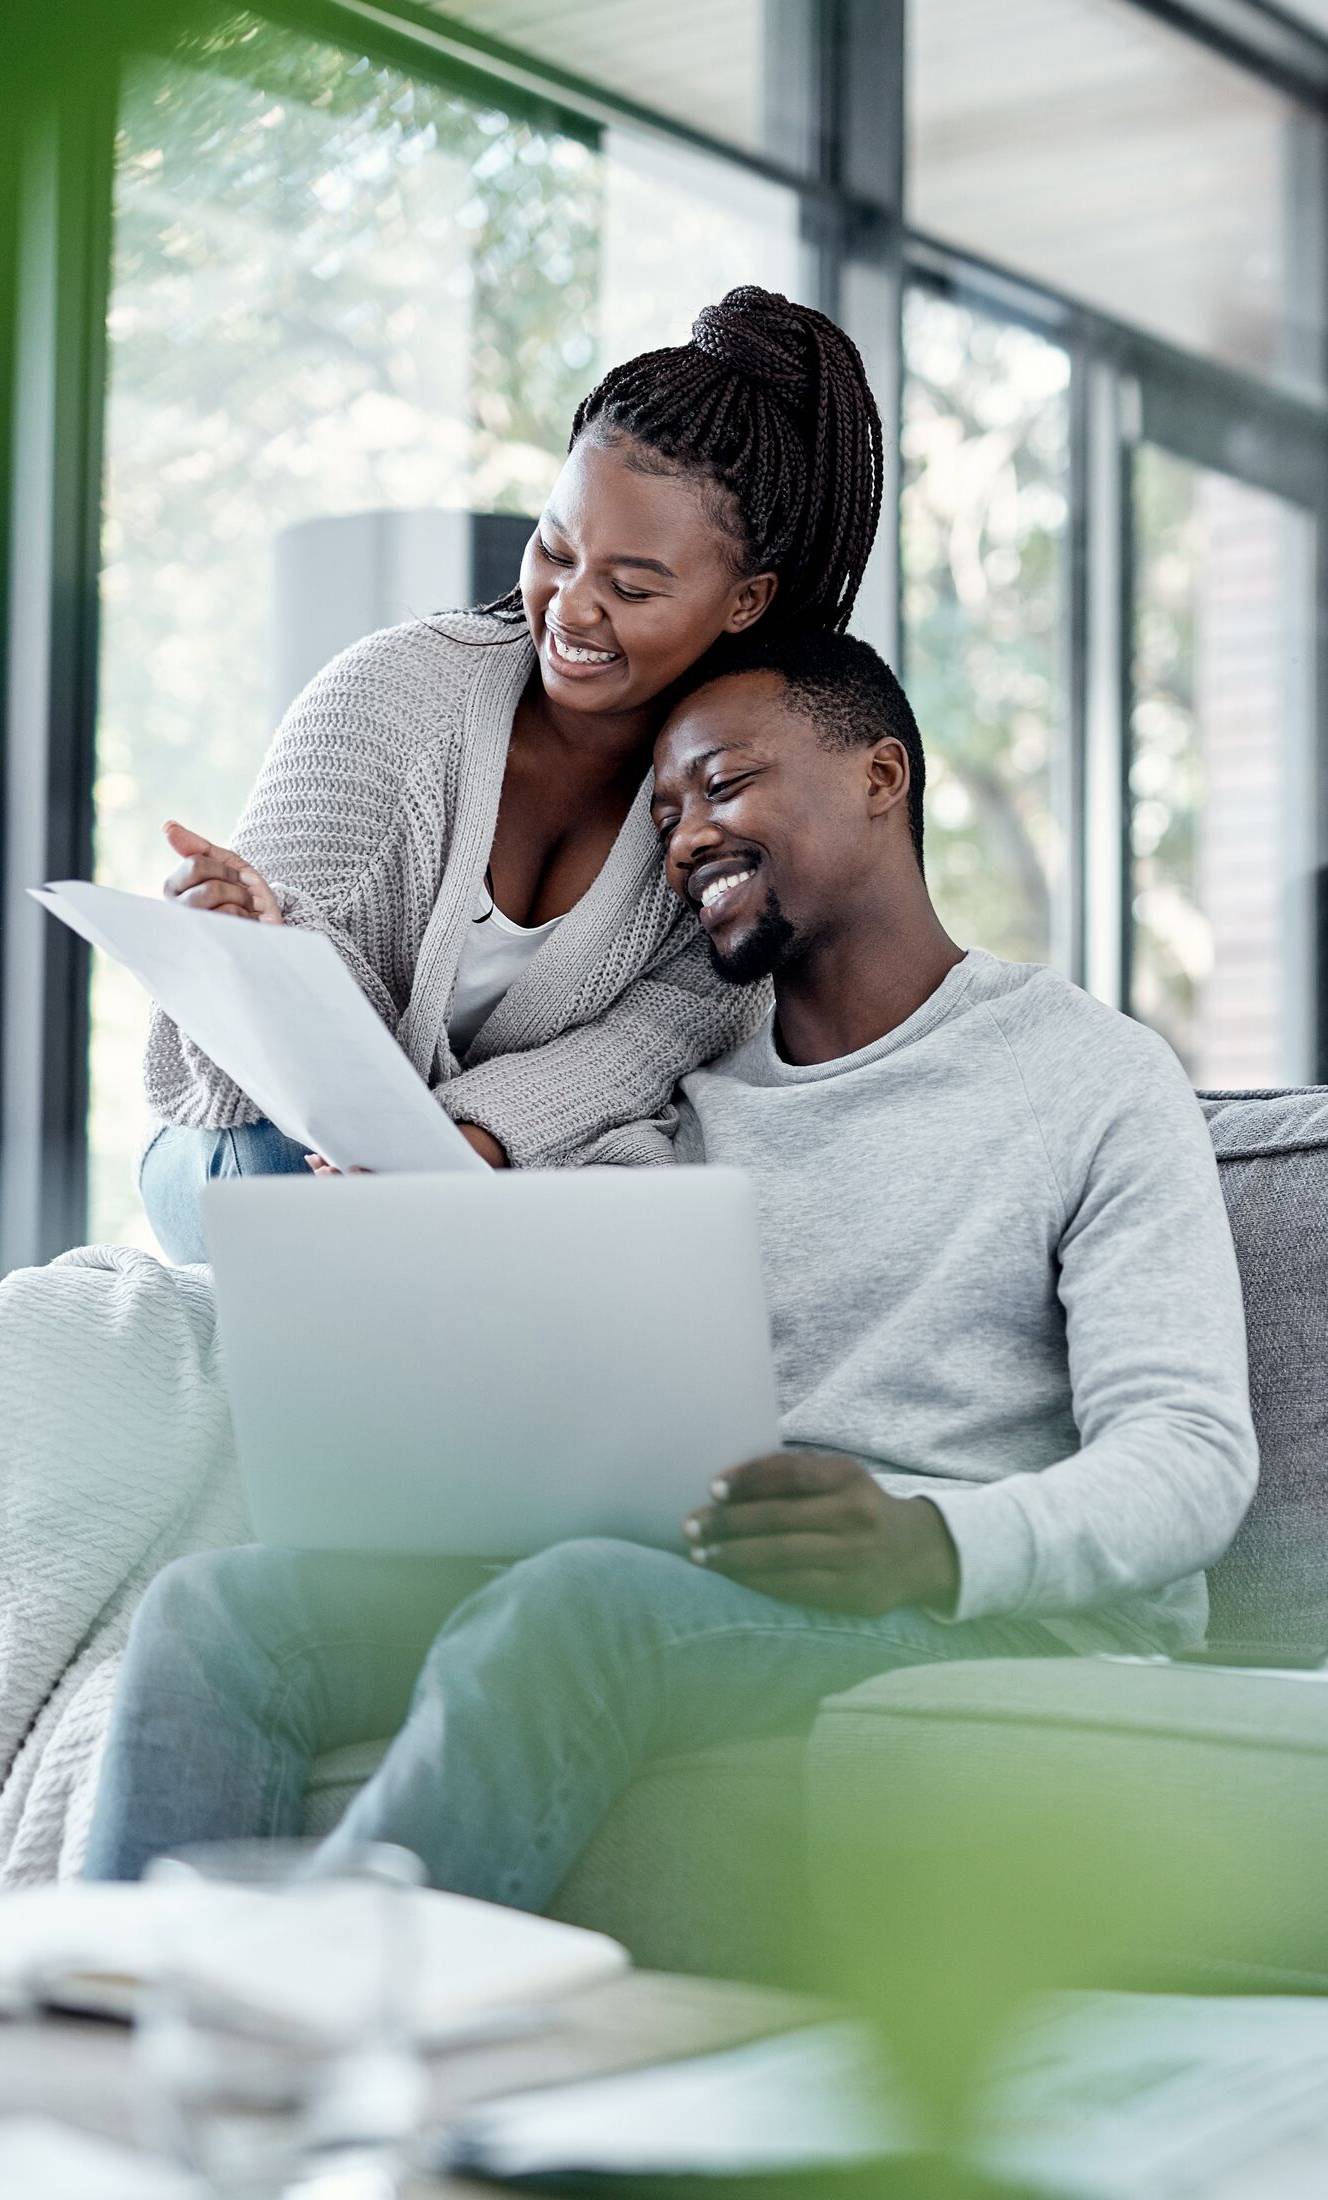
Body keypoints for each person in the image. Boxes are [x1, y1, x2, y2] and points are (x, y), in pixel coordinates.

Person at [85, 628, 1258, 1894]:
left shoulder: (1091, 1074)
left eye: (727, 784)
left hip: (968, 1603)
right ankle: (119, 2038)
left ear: (880, 776)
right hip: (694, 1575)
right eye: (664, 813)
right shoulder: (674, 1113)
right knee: (223, 1617)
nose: (687, 834)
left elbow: (1191, 1457)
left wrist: (932, 1541)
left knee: (579, 1604)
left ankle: (320, 2032)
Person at [140, 287, 884, 1262]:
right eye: (555, 549)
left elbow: (674, 1025)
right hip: (266, 1147)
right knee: (311, 1195)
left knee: (664, 1197)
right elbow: (242, 1080)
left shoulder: (735, 791)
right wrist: (260, 944)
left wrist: (473, 1144)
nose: (570, 609)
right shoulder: (388, 699)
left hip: (503, 1172)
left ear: (745, 599)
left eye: (630, 586)